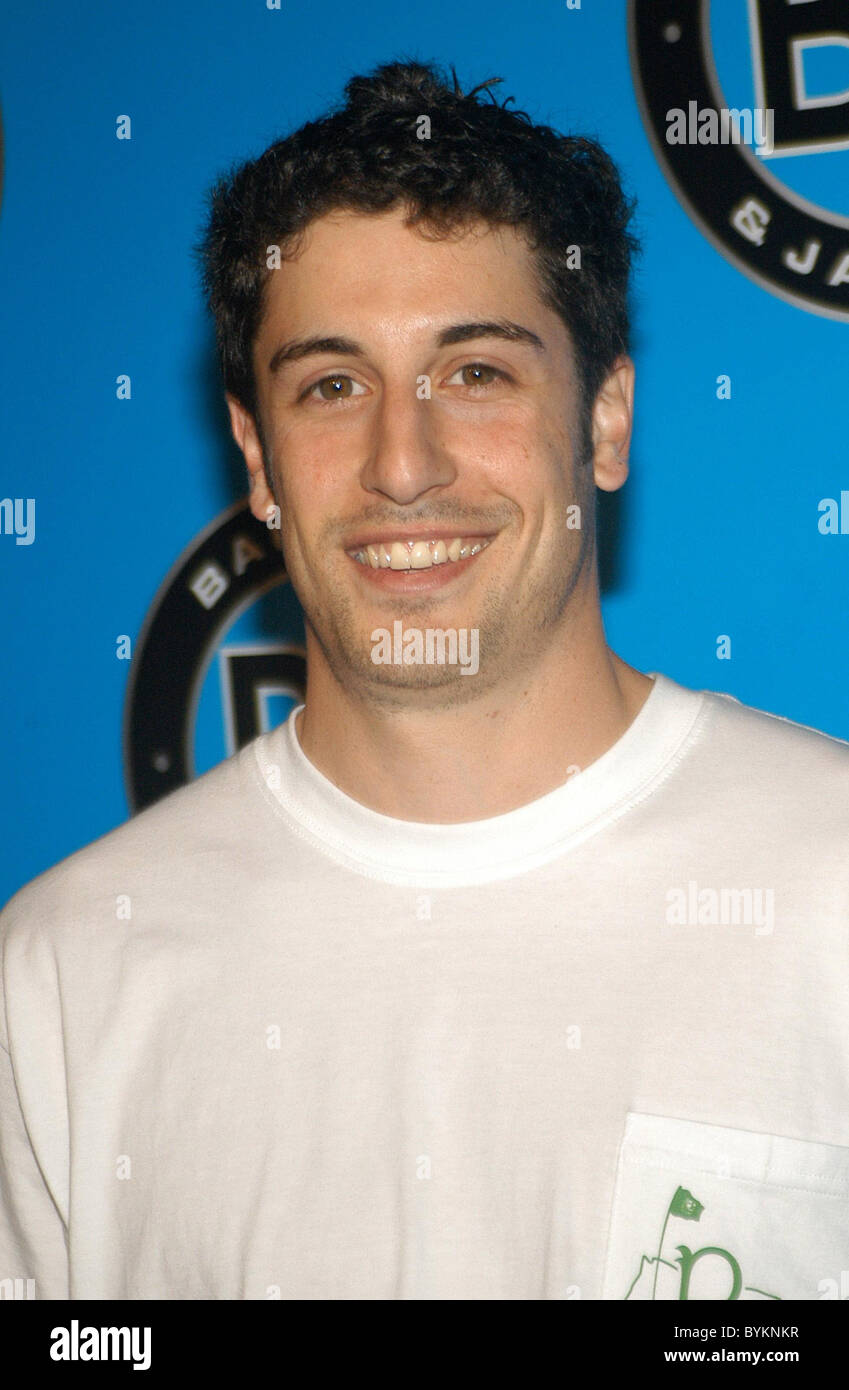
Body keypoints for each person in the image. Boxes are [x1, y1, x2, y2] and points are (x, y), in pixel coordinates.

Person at [2, 59, 848, 1303]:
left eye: (476, 372)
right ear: (258, 457)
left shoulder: (830, 886)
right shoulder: (61, 976)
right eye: (334, 386)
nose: (404, 464)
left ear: (607, 419)